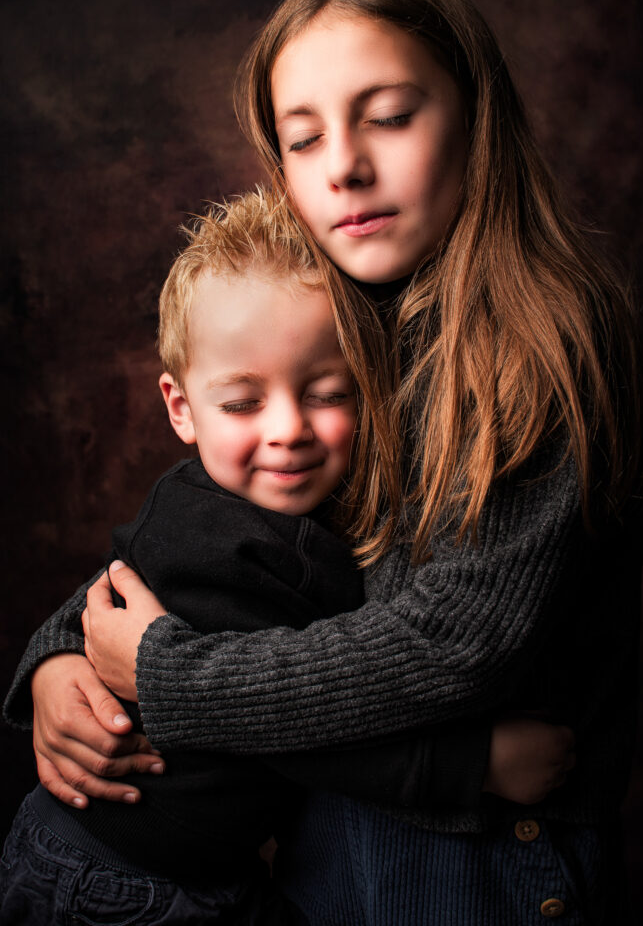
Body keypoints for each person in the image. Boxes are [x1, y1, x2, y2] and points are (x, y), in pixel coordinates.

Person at [5, 0, 643, 924]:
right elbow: (215, 542)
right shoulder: (342, 316)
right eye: (302, 139)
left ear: (475, 116)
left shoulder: (546, 342)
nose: (344, 166)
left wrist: (156, 672)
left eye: (389, 116)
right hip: (330, 830)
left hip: (481, 855)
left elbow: (445, 648)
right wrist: (62, 655)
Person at [1, 189, 572, 925]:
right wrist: (470, 766)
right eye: (241, 404)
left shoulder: (268, 503)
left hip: (200, 869)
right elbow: (285, 734)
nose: (288, 430)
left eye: (328, 393)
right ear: (180, 408)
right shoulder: (215, 537)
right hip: (120, 883)